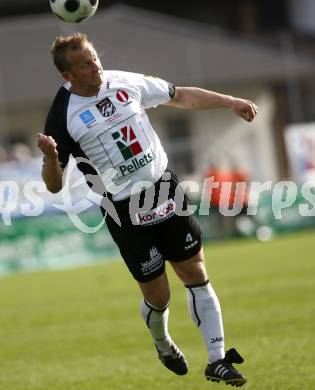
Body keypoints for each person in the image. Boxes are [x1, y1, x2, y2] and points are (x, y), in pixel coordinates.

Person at [37, 32, 258, 387]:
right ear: (68, 76)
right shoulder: (62, 116)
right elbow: (52, 184)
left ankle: (217, 359)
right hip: (123, 208)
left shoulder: (125, 81)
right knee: (159, 295)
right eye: (84, 65)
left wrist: (230, 101)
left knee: (194, 270)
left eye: (94, 57)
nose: (95, 66)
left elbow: (180, 96)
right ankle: (162, 342)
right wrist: (50, 159)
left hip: (164, 187)